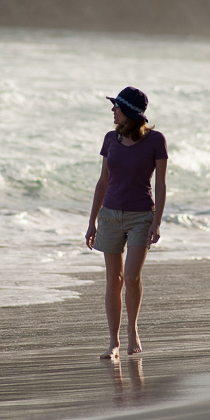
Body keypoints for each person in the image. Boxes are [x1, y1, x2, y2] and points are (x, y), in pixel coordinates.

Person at [85, 86, 168, 360]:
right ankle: (113, 342)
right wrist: (92, 222)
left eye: (116, 107)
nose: (112, 111)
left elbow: (161, 184)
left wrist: (157, 222)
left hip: (141, 216)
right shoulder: (110, 139)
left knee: (131, 278)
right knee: (114, 281)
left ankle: (133, 331)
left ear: (129, 112)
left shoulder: (156, 140)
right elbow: (103, 181)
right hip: (109, 216)